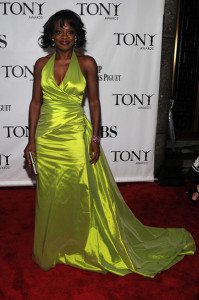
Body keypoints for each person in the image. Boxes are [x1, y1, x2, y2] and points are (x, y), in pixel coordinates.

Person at [25, 10, 195, 278]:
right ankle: (54, 245)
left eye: (70, 31)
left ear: (77, 35)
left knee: (78, 191)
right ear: (51, 35)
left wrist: (95, 137)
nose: (65, 36)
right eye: (59, 31)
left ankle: (81, 243)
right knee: (49, 192)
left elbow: (94, 102)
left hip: (74, 136)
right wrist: (30, 141)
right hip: (46, 138)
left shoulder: (87, 63)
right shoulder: (40, 64)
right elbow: (36, 103)